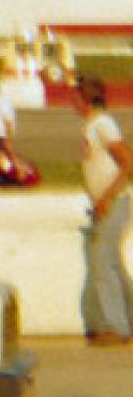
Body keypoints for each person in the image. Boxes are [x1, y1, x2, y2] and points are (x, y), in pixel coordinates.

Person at [73, 76, 133, 346]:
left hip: (113, 201)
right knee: (110, 262)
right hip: (103, 202)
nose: (73, 103)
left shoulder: (102, 124)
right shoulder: (91, 125)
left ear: (86, 99)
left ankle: (115, 326)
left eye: (76, 97)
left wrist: (107, 197)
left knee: (101, 260)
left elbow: (126, 161)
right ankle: (127, 318)